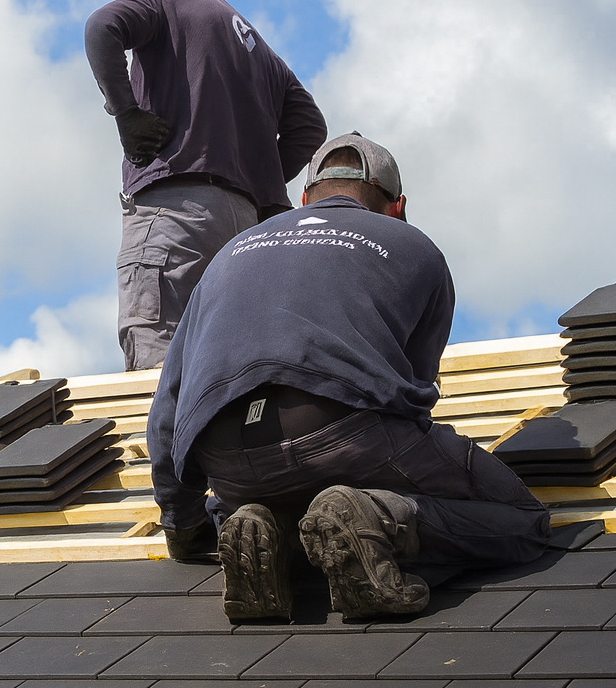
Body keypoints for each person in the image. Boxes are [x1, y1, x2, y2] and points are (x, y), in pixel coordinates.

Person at [147, 132, 551, 621]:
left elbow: (169, 407)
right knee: (523, 522)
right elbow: (416, 396)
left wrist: (185, 526)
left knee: (261, 508)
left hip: (225, 455)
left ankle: (271, 535)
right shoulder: (415, 247)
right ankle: (381, 522)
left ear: (304, 198)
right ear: (396, 206)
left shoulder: (231, 252)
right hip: (343, 432)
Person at [84, 0, 328, 371]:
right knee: (228, 372)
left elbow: (101, 26)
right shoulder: (259, 49)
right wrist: (257, 179)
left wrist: (127, 113)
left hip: (177, 212)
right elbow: (311, 126)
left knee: (158, 362)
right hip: (248, 229)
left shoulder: (165, 2)